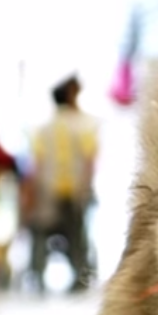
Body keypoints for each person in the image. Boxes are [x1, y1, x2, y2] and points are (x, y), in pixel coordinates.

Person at [25, 76, 98, 293]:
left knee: (40, 235)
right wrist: (86, 188)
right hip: (75, 192)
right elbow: (89, 161)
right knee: (77, 237)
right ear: (70, 95)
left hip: (47, 191)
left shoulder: (43, 128)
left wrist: (31, 194)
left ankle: (36, 276)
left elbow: (36, 165)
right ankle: (81, 278)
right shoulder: (83, 125)